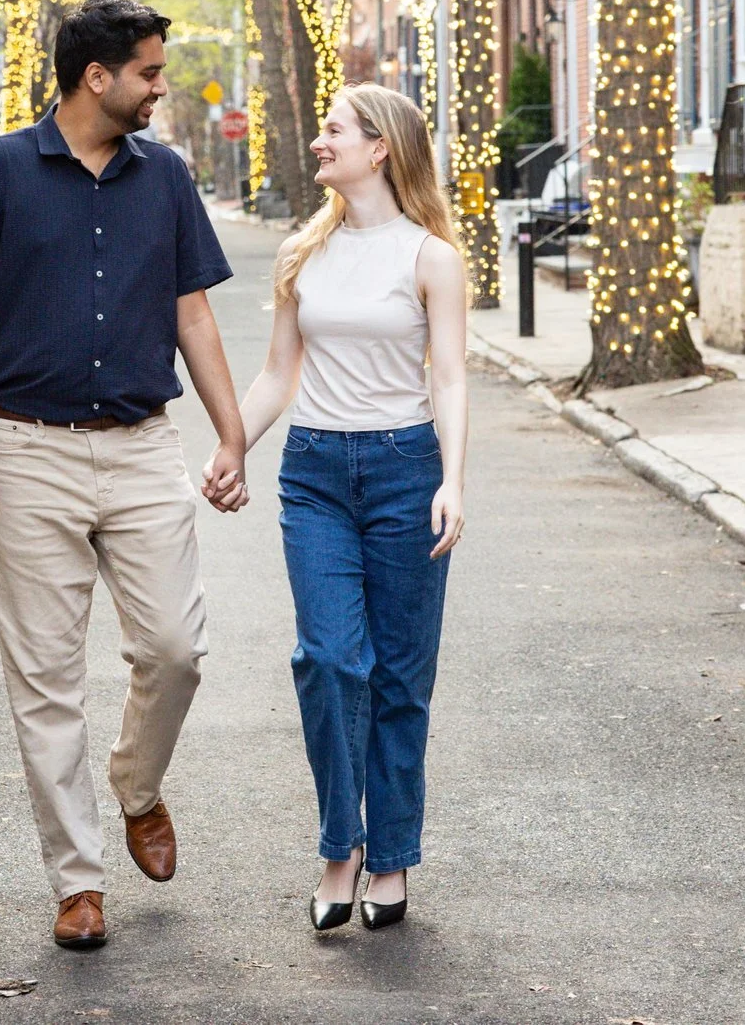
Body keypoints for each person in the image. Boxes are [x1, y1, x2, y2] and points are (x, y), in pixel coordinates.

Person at [0, 0, 250, 953]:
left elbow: (193, 313)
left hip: (146, 443)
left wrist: (230, 435)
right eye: (149, 72)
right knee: (45, 681)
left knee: (176, 648)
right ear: (95, 77)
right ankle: (78, 882)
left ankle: (137, 784)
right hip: (26, 451)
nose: (162, 86)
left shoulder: (169, 178)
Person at [220, 83, 468, 932]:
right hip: (315, 471)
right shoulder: (304, 253)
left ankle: (392, 854)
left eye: (333, 130)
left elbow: (450, 375)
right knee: (329, 658)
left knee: (401, 673)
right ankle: (341, 846)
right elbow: (277, 375)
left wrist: (453, 478)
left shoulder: (430, 256)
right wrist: (230, 446)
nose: (320, 142)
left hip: (406, 468)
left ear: (380, 148)